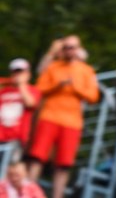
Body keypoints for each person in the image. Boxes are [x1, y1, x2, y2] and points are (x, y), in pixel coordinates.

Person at [27, 35, 99, 198]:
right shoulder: (53, 67)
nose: (69, 50)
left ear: (78, 49)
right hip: (49, 117)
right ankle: (28, 193)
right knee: (37, 157)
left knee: (64, 163)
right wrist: (57, 86)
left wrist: (76, 87)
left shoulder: (86, 70)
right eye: (66, 47)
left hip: (72, 122)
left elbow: (93, 96)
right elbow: (39, 88)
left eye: (72, 47)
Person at [0, 59, 40, 150]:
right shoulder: (3, 91)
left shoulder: (32, 90)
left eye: (21, 72)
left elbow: (30, 103)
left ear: (28, 74)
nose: (17, 75)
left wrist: (21, 84)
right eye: (15, 72)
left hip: (17, 139)